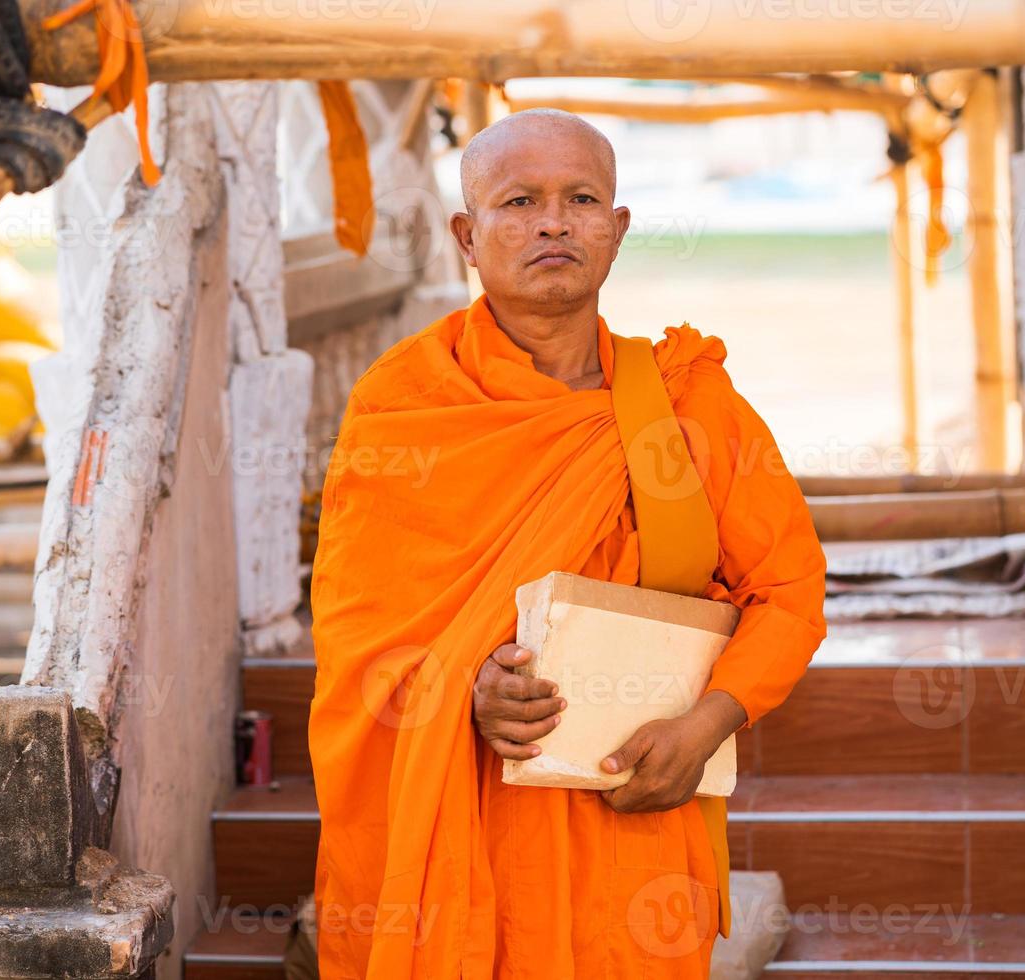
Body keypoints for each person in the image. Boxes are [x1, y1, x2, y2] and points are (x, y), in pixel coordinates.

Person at [307, 108, 827, 979]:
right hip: (465, 810)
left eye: (581, 198)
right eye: (519, 201)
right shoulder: (407, 405)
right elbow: (356, 629)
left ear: (616, 231)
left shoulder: (686, 402)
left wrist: (703, 727)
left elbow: (790, 593)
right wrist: (464, 689)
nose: (552, 222)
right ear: (468, 235)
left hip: (635, 809)